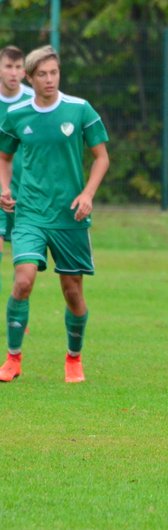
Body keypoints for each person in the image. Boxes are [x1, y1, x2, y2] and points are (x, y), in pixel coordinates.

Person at [0, 45, 110, 383]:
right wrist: (4, 189)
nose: (50, 79)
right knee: (23, 281)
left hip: (69, 216)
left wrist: (87, 194)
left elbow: (102, 158)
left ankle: (74, 358)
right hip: (30, 213)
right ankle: (13, 359)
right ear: (30, 78)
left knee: (73, 293)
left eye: (54, 73)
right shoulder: (17, 114)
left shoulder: (79, 109)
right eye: (42, 74)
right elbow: (3, 157)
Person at [0, 46, 34, 278]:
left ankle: (19, 298)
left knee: (23, 261)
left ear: (24, 71)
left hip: (25, 189)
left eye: (18, 67)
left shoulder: (34, 101)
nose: (13, 72)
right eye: (8, 66)